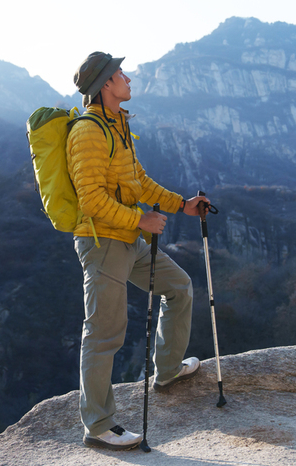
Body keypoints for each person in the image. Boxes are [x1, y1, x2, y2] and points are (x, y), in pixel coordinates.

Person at [70, 51, 209, 450]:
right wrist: (141, 222)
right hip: (103, 242)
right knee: (104, 333)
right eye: (119, 74)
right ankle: (97, 424)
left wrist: (181, 204)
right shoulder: (88, 132)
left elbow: (140, 183)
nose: (127, 78)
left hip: (128, 237)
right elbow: (91, 199)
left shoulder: (118, 124)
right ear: (105, 86)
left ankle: (166, 371)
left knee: (179, 288)